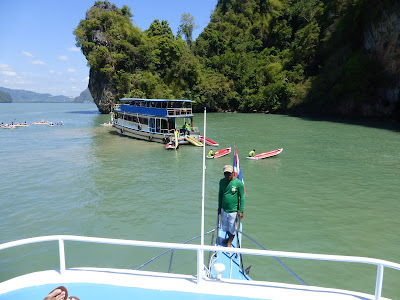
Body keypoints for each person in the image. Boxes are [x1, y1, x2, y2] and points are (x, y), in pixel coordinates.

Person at [218, 165, 245, 248]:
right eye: (225, 174)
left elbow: (242, 197)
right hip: (224, 209)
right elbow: (220, 194)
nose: (227, 176)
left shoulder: (238, 183)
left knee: (232, 228)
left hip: (233, 211)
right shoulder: (222, 182)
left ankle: (229, 242)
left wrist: (241, 210)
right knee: (225, 227)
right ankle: (229, 238)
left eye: (229, 174)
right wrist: (219, 207)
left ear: (233, 173)